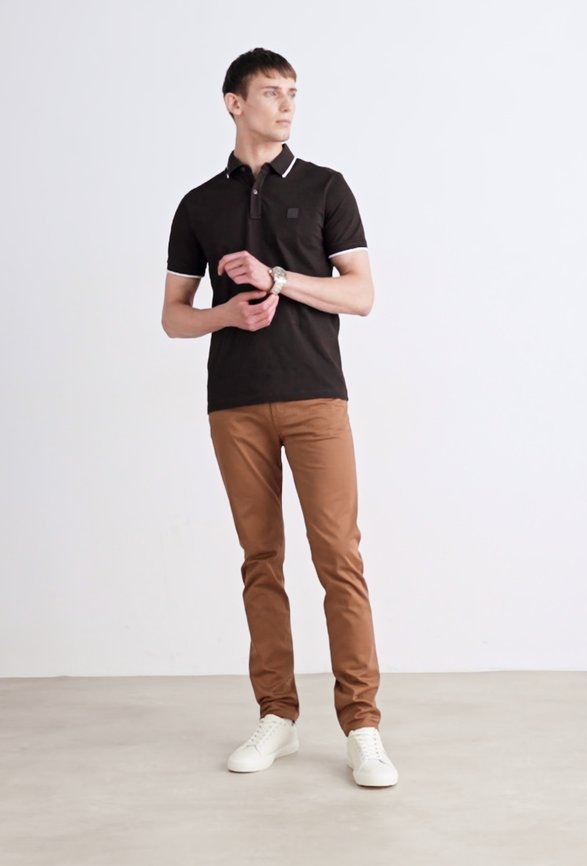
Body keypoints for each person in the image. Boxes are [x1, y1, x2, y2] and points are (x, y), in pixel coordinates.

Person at [161, 47, 398, 788]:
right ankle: (277, 717)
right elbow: (173, 316)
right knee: (260, 560)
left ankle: (362, 726)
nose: (288, 104)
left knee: (339, 558)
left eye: (293, 92)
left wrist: (279, 279)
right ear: (234, 103)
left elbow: (360, 294)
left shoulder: (326, 187)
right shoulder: (199, 204)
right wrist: (227, 313)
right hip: (233, 403)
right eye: (271, 92)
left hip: (316, 396)